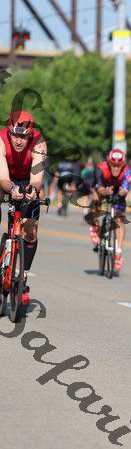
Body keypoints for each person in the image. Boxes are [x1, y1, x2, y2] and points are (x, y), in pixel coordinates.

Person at [0, 110, 47, 306]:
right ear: (9, 132)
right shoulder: (1, 140)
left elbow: (36, 179)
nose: (19, 141)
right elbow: (3, 178)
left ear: (30, 135)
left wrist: (33, 190)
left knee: (31, 228)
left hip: (27, 179)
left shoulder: (39, 143)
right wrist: (11, 189)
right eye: (15, 136)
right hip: (5, 178)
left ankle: (23, 276)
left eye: (23, 137)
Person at [87, 149, 131, 271]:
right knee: (96, 201)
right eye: (113, 164)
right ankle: (94, 226)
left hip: (118, 190)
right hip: (102, 186)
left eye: (119, 165)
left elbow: (124, 190)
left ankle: (118, 253)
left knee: (120, 218)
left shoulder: (128, 171)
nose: (116, 168)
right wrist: (105, 191)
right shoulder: (100, 168)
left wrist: (121, 193)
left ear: (124, 164)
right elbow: (99, 188)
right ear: (108, 163)